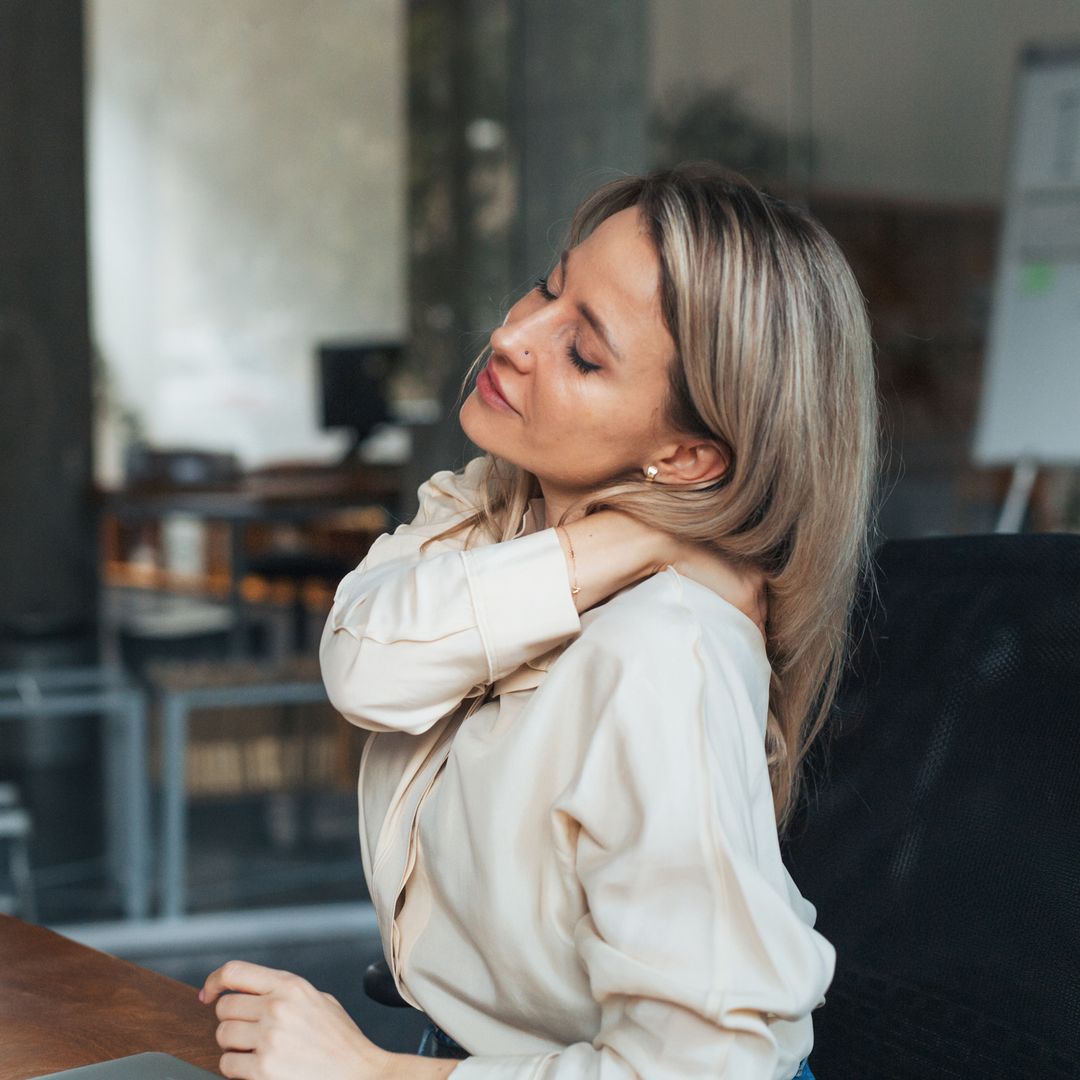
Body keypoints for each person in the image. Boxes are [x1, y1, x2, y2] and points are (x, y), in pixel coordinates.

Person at [200, 163, 879, 1079]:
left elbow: (709, 1072)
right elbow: (367, 664)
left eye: (584, 353)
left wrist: (371, 1074)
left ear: (685, 455)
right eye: (547, 289)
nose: (511, 335)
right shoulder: (494, 508)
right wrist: (632, 541)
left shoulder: (665, 657)